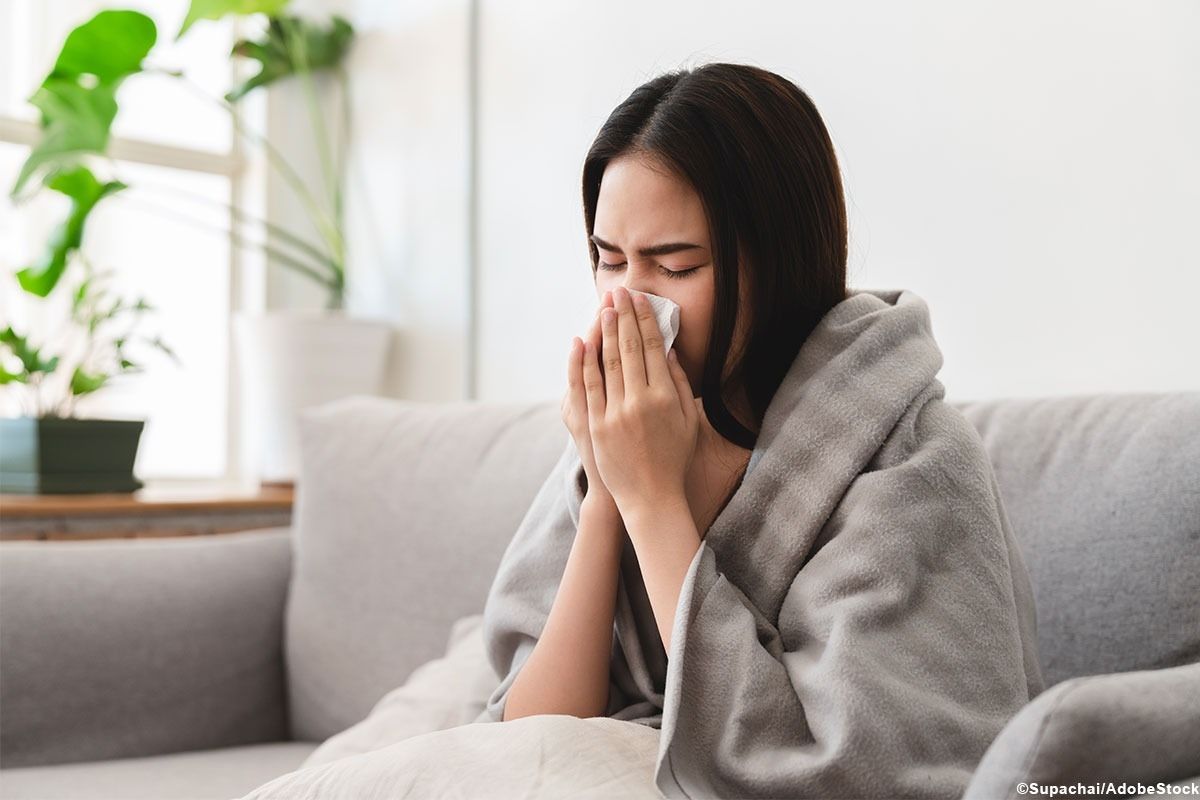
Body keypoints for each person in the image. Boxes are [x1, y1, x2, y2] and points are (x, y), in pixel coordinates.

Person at [476, 62, 1043, 800]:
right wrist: (612, 493)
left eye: (676, 265)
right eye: (608, 260)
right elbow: (530, 738)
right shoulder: (629, 430)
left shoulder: (911, 459)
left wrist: (655, 505)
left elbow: (858, 767)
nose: (629, 305)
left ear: (777, 263)